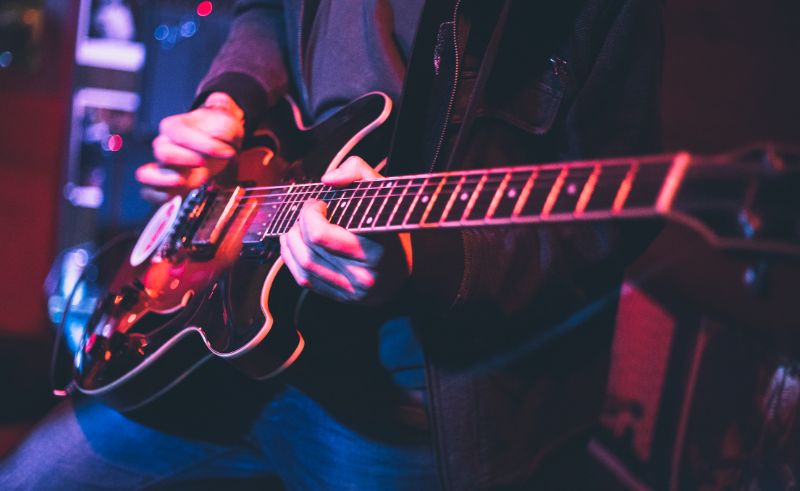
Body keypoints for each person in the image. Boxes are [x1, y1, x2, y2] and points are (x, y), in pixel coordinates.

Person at [0, 0, 663, 489]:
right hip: (230, 334)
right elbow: (264, 14)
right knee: (34, 478)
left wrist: (413, 259)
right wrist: (228, 102)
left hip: (404, 400)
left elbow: (599, 227)